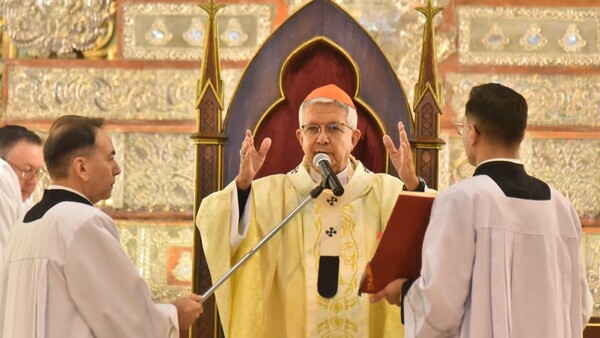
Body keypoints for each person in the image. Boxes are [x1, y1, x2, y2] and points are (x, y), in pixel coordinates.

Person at [196, 84, 429, 337]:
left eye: (334, 128)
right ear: (300, 138)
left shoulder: (386, 193)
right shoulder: (274, 195)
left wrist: (414, 185)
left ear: (353, 139)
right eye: (313, 129)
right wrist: (242, 186)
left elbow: (432, 231)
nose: (322, 138)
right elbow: (213, 218)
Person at [371, 83, 593, 337]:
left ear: (472, 133)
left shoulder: (463, 200)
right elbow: (580, 306)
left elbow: (440, 307)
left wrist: (403, 292)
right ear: (521, 136)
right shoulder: (561, 206)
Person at [0, 115, 203, 337]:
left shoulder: (23, 225)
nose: (117, 169)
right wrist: (174, 314)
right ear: (82, 167)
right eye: (110, 158)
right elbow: (127, 322)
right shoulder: (82, 222)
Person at [0, 125, 44, 267]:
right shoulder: (2, 176)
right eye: (27, 170)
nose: (33, 180)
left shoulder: (26, 204)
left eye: (37, 172)